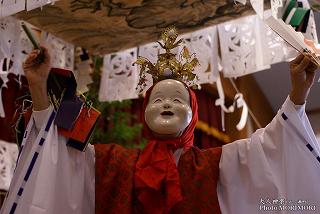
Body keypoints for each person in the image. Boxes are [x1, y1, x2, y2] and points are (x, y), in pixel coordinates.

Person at [1, 41, 320, 214]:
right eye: (158, 100)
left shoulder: (217, 166)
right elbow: (61, 164)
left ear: (194, 116)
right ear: (144, 113)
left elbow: (273, 152)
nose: (166, 104)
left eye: (177, 100)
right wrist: (39, 86)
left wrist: (298, 94)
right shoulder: (115, 164)